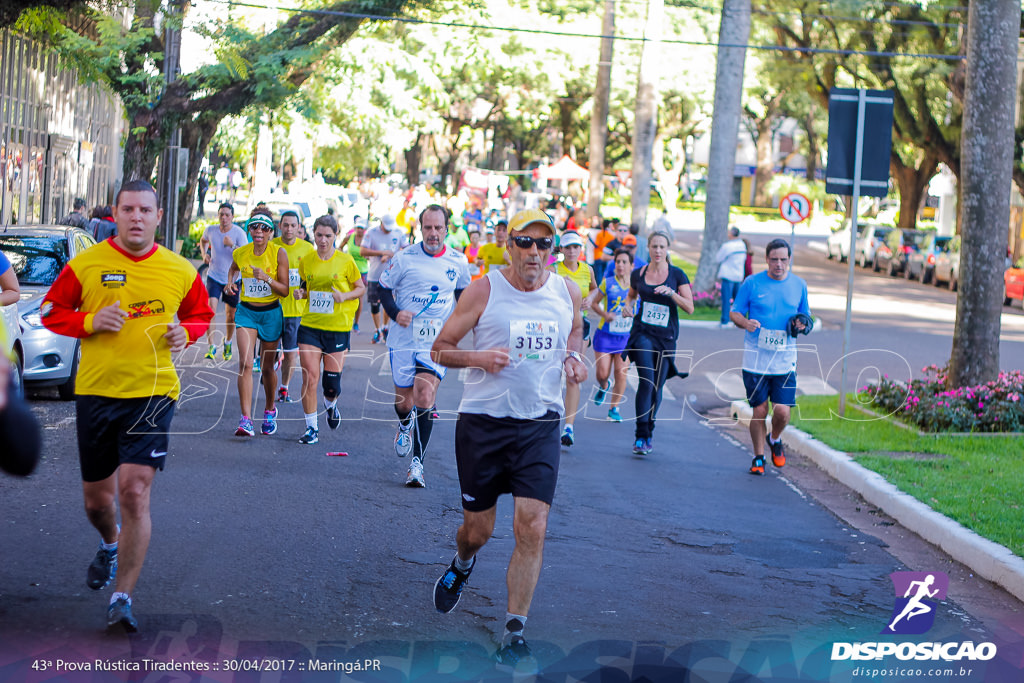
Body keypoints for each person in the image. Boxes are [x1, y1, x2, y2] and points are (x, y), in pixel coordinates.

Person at [40, 179, 214, 633]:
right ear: (114, 215)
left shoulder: (179, 270)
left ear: (159, 217)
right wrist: (90, 320)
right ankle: (110, 541)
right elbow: (50, 311)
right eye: (128, 209)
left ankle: (123, 596)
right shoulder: (87, 263)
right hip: (97, 392)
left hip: (153, 393)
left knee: (134, 491)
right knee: (98, 502)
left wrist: (186, 333)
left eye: (145, 210)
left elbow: (201, 315)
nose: (137, 217)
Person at [429, 208, 586, 668]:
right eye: (525, 242)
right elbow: (441, 347)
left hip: (540, 424)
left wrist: (573, 358)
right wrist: (479, 356)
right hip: (484, 425)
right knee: (478, 531)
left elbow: (575, 330)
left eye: (544, 244)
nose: (534, 253)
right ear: (509, 245)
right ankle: (462, 563)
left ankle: (514, 632)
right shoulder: (484, 289)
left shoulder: (567, 291)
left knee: (532, 527)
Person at [379, 204, 470, 486]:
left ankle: (416, 465)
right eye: (427, 227)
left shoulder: (458, 261)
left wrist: (462, 325)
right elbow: (382, 288)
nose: (433, 233)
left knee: (425, 394)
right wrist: (395, 313)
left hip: (437, 341)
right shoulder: (404, 258)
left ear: (447, 229)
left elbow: (464, 295)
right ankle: (404, 423)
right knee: (404, 402)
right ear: (420, 229)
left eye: (438, 228)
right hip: (404, 338)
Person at [729, 238, 811, 475]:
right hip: (756, 359)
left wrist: (802, 324)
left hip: (785, 359)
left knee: (783, 412)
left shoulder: (799, 285)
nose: (778, 264)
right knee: (760, 410)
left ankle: (774, 438)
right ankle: (758, 457)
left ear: (789, 260)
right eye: (774, 259)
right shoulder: (752, 283)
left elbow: (807, 319)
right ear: (766, 259)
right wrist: (745, 322)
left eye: (783, 260)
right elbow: (734, 312)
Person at [291, 215, 365, 444]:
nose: (323, 240)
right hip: (310, 326)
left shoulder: (345, 261)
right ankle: (311, 427)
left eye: (328, 236)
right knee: (310, 376)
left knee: (331, 385)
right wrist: (301, 293)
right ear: (313, 234)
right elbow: (305, 285)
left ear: (336, 236)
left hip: (337, 326)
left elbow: (360, 288)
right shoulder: (307, 260)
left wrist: (344, 296)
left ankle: (330, 404)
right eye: (319, 235)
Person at [621, 231, 693, 455]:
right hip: (642, 332)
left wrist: (672, 293)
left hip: (666, 337)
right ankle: (640, 435)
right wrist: (628, 305)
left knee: (657, 385)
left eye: (662, 247)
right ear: (649, 248)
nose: (658, 251)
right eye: (654, 246)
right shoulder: (639, 273)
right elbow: (632, 295)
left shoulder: (677, 275)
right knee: (647, 380)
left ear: (667, 248)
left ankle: (649, 429)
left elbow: (689, 307)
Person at [224, 212, 289, 437]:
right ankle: (246, 420)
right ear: (249, 230)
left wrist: (267, 279)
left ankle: (270, 410)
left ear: (271, 232)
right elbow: (233, 267)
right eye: (254, 227)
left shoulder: (279, 253)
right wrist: (230, 282)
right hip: (246, 313)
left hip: (271, 313)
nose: (258, 231)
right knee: (245, 363)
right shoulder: (241, 253)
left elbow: (285, 290)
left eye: (264, 228)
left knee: (267, 368)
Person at [551, 230, 597, 447]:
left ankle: (568, 426)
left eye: (576, 247)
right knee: (550, 371)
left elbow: (596, 290)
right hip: (556, 327)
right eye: (568, 247)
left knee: (573, 375)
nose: (572, 251)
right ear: (561, 249)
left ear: (581, 249)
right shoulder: (553, 270)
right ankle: (546, 418)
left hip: (580, 327)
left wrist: (590, 300)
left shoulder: (588, 270)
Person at [271, 211, 315, 403]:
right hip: (272, 309)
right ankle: (271, 368)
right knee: (270, 352)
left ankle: (284, 388)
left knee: (290, 353)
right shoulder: (270, 247)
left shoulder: (307, 249)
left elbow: (312, 278)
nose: (289, 229)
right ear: (279, 226)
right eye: (286, 225)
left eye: (293, 225)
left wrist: (303, 291)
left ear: (299, 228)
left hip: (295, 311)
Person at [591, 248, 636, 422]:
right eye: (617, 262)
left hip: (626, 337)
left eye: (624, 262)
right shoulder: (607, 283)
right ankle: (604, 386)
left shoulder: (637, 287)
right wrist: (605, 315)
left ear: (631, 266)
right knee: (602, 374)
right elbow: (594, 303)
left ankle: (614, 408)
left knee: (621, 373)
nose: (620, 265)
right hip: (605, 335)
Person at [200, 203, 248, 361]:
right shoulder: (211, 230)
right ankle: (211, 346)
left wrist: (232, 245)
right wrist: (204, 254)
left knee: (230, 315)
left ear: (232, 216)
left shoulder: (239, 233)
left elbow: (246, 255)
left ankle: (227, 342)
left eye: (227, 214)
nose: (224, 217)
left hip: (233, 279)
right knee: (211, 310)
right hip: (214, 276)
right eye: (221, 214)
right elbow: (203, 240)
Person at [360, 215, 408, 344]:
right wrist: (381, 253)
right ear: (381, 223)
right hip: (375, 275)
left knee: (389, 304)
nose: (388, 230)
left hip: (392, 276)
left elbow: (407, 250)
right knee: (375, 305)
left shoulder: (398, 233)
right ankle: (377, 330)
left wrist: (392, 255)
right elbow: (362, 251)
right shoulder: (371, 232)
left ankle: (386, 327)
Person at [339, 217, 369, 332]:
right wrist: (342, 258)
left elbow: (371, 253)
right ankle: (346, 319)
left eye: (361, 228)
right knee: (346, 294)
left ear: (364, 229)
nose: (359, 230)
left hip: (362, 271)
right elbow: (340, 247)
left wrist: (367, 256)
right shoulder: (349, 237)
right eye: (358, 228)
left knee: (359, 298)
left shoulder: (367, 240)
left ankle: (356, 323)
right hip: (348, 270)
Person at [715, 226, 747, 328]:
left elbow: (718, 258)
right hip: (738, 276)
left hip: (728, 275)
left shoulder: (726, 246)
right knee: (738, 301)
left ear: (731, 234)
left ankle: (725, 320)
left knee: (726, 300)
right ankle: (738, 321)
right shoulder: (742, 245)